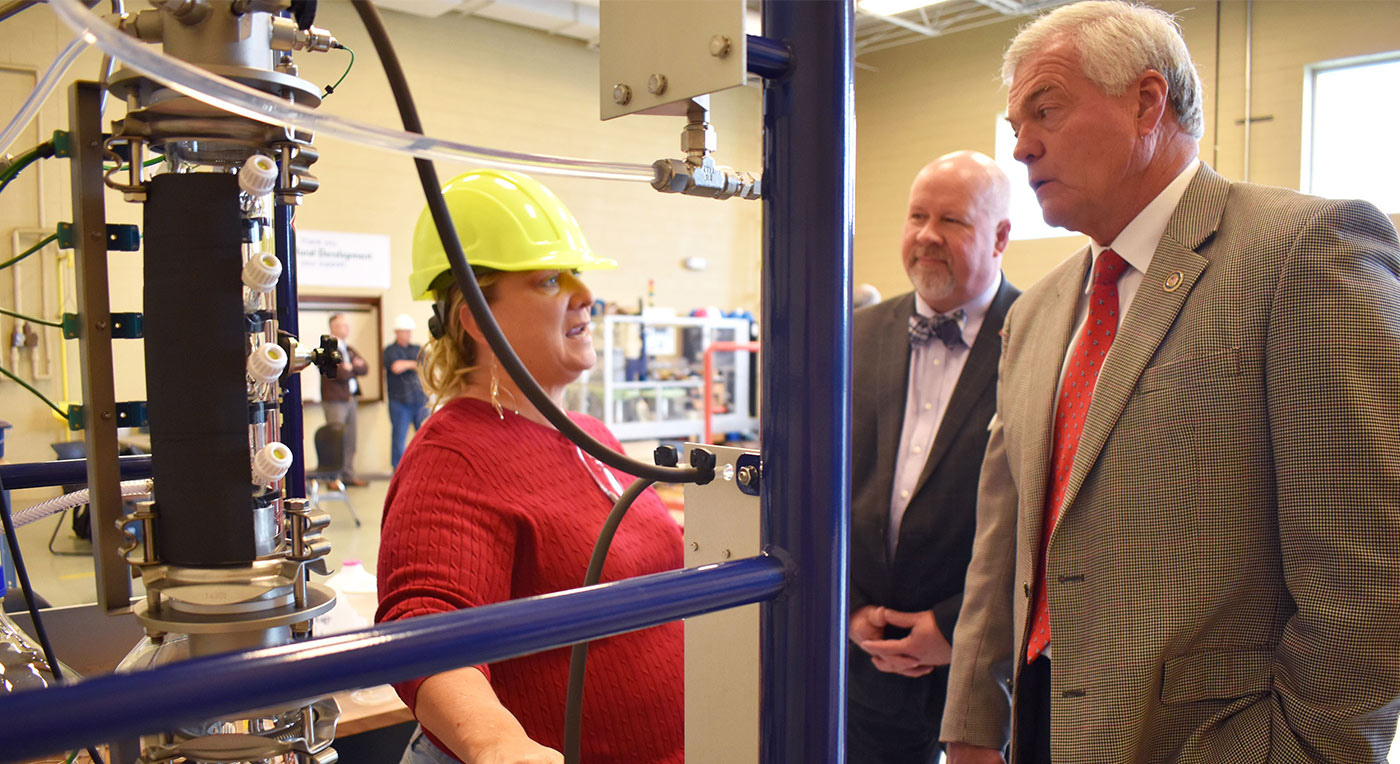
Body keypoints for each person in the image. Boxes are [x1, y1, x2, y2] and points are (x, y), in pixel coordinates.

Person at [940, 3, 1400, 763]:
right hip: (1042, 726)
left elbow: (1371, 573)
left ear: (1146, 102)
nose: (1020, 147)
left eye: (1044, 110)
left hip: (1207, 740)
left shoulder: (1305, 254)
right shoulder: (1039, 310)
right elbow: (1004, 538)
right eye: (1015, 121)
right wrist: (971, 726)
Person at [376, 169, 683, 764]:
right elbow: (426, 624)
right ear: (476, 320)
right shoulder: (455, 455)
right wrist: (497, 744)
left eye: (576, 274)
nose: (585, 295)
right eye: (548, 279)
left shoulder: (592, 435)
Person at [848, 150, 1018, 764]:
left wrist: (951, 628)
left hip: (989, 661)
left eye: (952, 221)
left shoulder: (1042, 336)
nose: (926, 236)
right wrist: (849, 609)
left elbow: (1047, 506)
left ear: (1000, 237)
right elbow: (822, 491)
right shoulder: (856, 335)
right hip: (871, 658)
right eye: (917, 216)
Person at [321, 312, 369, 487]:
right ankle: (333, 478)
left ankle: (348, 475)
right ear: (333, 327)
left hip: (350, 400)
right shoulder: (328, 349)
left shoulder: (348, 349)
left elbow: (365, 368)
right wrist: (350, 368)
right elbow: (339, 374)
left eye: (347, 325)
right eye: (342, 325)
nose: (346, 328)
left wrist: (351, 367)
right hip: (335, 401)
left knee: (350, 439)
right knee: (335, 440)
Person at [383, 313, 429, 470]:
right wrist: (413, 363)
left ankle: (424, 467)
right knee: (399, 438)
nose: (408, 335)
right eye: (405, 331)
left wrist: (406, 364)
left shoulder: (417, 348)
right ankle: (398, 470)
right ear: (397, 332)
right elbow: (396, 367)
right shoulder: (390, 351)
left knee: (425, 436)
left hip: (419, 400)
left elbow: (425, 363)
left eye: (410, 331)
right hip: (399, 402)